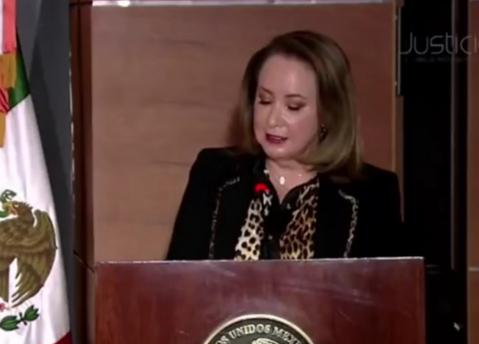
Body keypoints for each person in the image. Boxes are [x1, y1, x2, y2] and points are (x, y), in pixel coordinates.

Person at [166, 30, 406, 260]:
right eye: (265, 101)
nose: (272, 120)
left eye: (293, 106)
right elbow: (177, 281)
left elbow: (390, 288)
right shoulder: (214, 173)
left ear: (328, 113)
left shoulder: (373, 193)